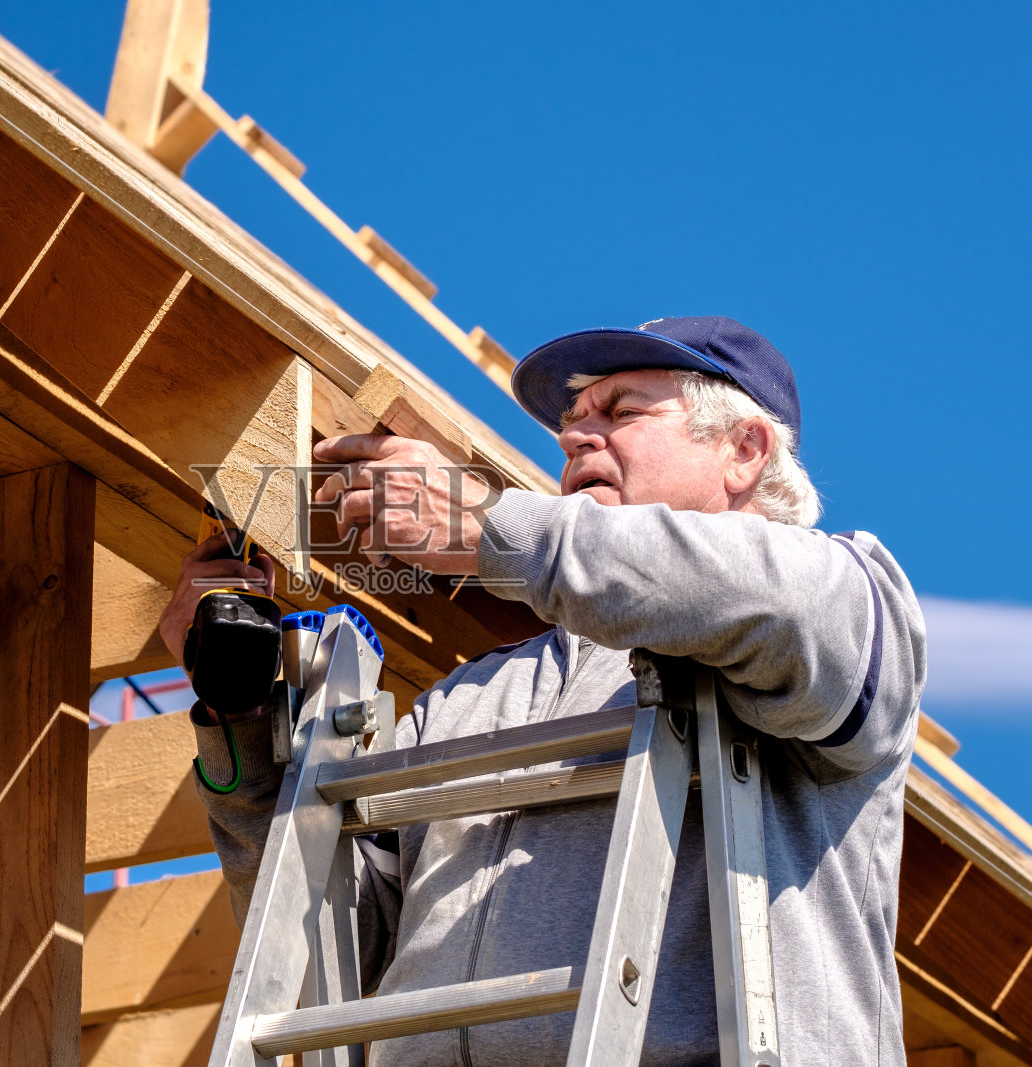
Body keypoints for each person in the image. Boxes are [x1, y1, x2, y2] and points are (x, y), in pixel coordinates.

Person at [159, 316, 926, 1067]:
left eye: (621, 409)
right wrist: (242, 716)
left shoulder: (844, 604)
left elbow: (773, 597)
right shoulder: (466, 701)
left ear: (744, 449)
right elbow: (335, 967)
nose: (573, 435)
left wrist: (486, 524)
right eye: (571, 418)